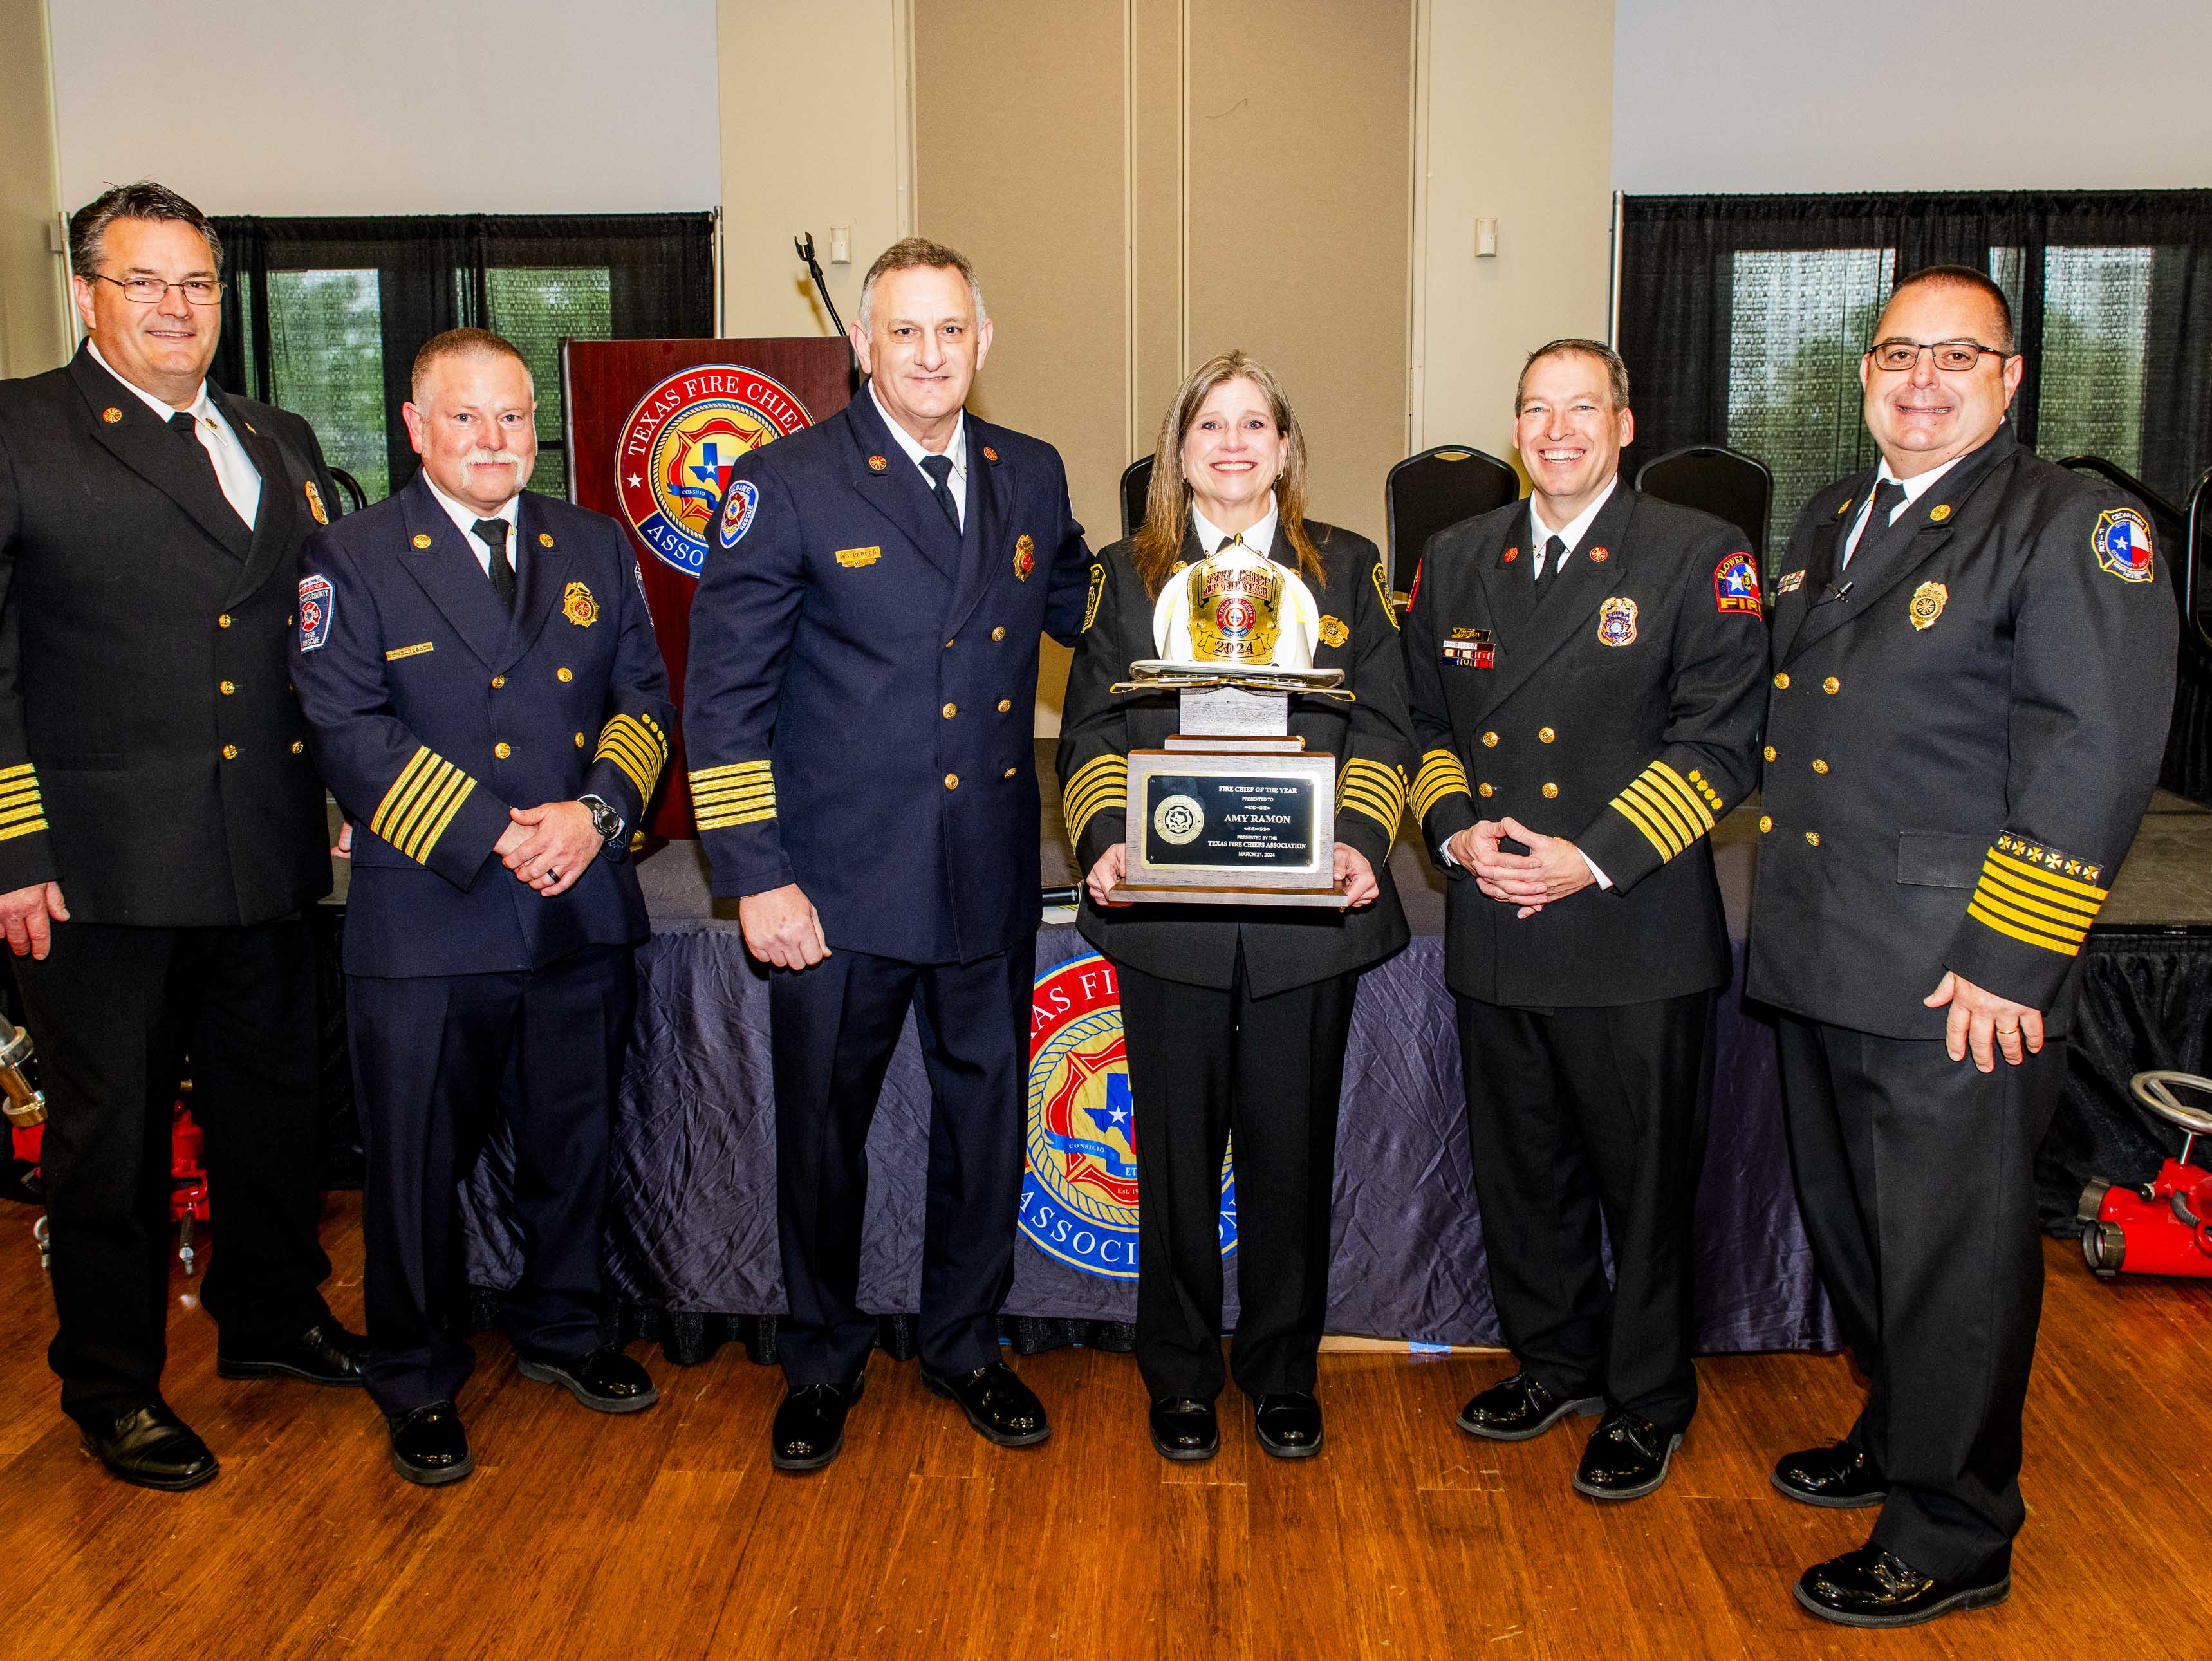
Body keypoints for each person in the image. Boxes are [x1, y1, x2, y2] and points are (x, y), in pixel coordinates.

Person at [0, 181, 364, 1491]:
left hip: (263, 852)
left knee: (276, 1120)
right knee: (115, 1144)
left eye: (197, 282)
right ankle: (111, 1384)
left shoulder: (279, 433)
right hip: (96, 871)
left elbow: (317, 642)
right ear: (85, 293)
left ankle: (273, 1319)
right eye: (144, 280)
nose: (175, 306)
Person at [1745, 266, 2176, 1626]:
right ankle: (1897, 1433)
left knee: (1957, 1258)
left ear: (2010, 378)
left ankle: (1952, 1526)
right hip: (1822, 948)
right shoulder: (1832, 516)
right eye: (1896, 353)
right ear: (1864, 372)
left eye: (1956, 355)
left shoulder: (2072, 524)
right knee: (1864, 1235)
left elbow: (2091, 756)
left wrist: (2011, 958)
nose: (1920, 379)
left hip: (1954, 974)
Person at [682, 237, 1091, 1471]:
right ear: (864, 346)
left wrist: (1236, 585)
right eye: (904, 332)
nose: (929, 354)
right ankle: (819, 1358)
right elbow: (722, 703)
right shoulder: (786, 481)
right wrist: (756, 876)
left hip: (985, 882)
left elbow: (1092, 611)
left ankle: (965, 1343)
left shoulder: (1032, 473)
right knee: (823, 1134)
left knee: (985, 1131)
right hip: (835, 893)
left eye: (950, 331)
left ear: (982, 342)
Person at [294, 328, 677, 1486]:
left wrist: (596, 817)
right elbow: (346, 729)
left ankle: (565, 1327)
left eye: (512, 416)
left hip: (577, 902)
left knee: (576, 1141)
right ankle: (413, 1373)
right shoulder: (351, 556)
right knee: (414, 1164)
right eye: (465, 417)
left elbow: (646, 702)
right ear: (415, 428)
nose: (494, 439)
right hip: (431, 914)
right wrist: (497, 832)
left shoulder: (595, 547)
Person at [1403, 340, 1768, 1501]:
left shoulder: (1698, 555)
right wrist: (1454, 827)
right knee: (1523, 1174)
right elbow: (1419, 724)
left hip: (1632, 926)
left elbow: (1721, 743)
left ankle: (1648, 1397)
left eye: (1581, 409)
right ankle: (1555, 1359)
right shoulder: (1457, 559)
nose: (1556, 430)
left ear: (1623, 423)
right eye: (1534, 410)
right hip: (1497, 914)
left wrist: (1591, 856)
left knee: (1643, 1188)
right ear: (1515, 428)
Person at [1058, 352, 1411, 1462]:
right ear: (1181, 451)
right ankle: (1178, 1374)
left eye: (1255, 423)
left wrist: (1358, 843)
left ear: (1287, 447)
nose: (1233, 443)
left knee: (1290, 1155)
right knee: (1170, 1155)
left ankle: (1280, 1369)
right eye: (1210, 424)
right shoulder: (1125, 572)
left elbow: (1388, 726)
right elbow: (1092, 732)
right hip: (1174, 918)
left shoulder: (1348, 567)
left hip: (1309, 919)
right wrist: (1109, 839)